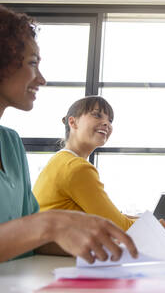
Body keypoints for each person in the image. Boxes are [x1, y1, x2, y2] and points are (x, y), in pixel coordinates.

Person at [0, 3, 137, 272]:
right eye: (32, 63)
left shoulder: (10, 143)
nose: (41, 79)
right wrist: (50, 224)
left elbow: (31, 241)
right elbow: (37, 229)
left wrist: (105, 251)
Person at [33, 96, 141, 231]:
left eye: (110, 120)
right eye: (97, 115)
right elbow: (118, 228)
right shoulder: (76, 167)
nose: (106, 123)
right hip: (54, 251)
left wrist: (139, 219)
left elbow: (111, 217)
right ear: (73, 122)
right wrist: (155, 225)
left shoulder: (61, 160)